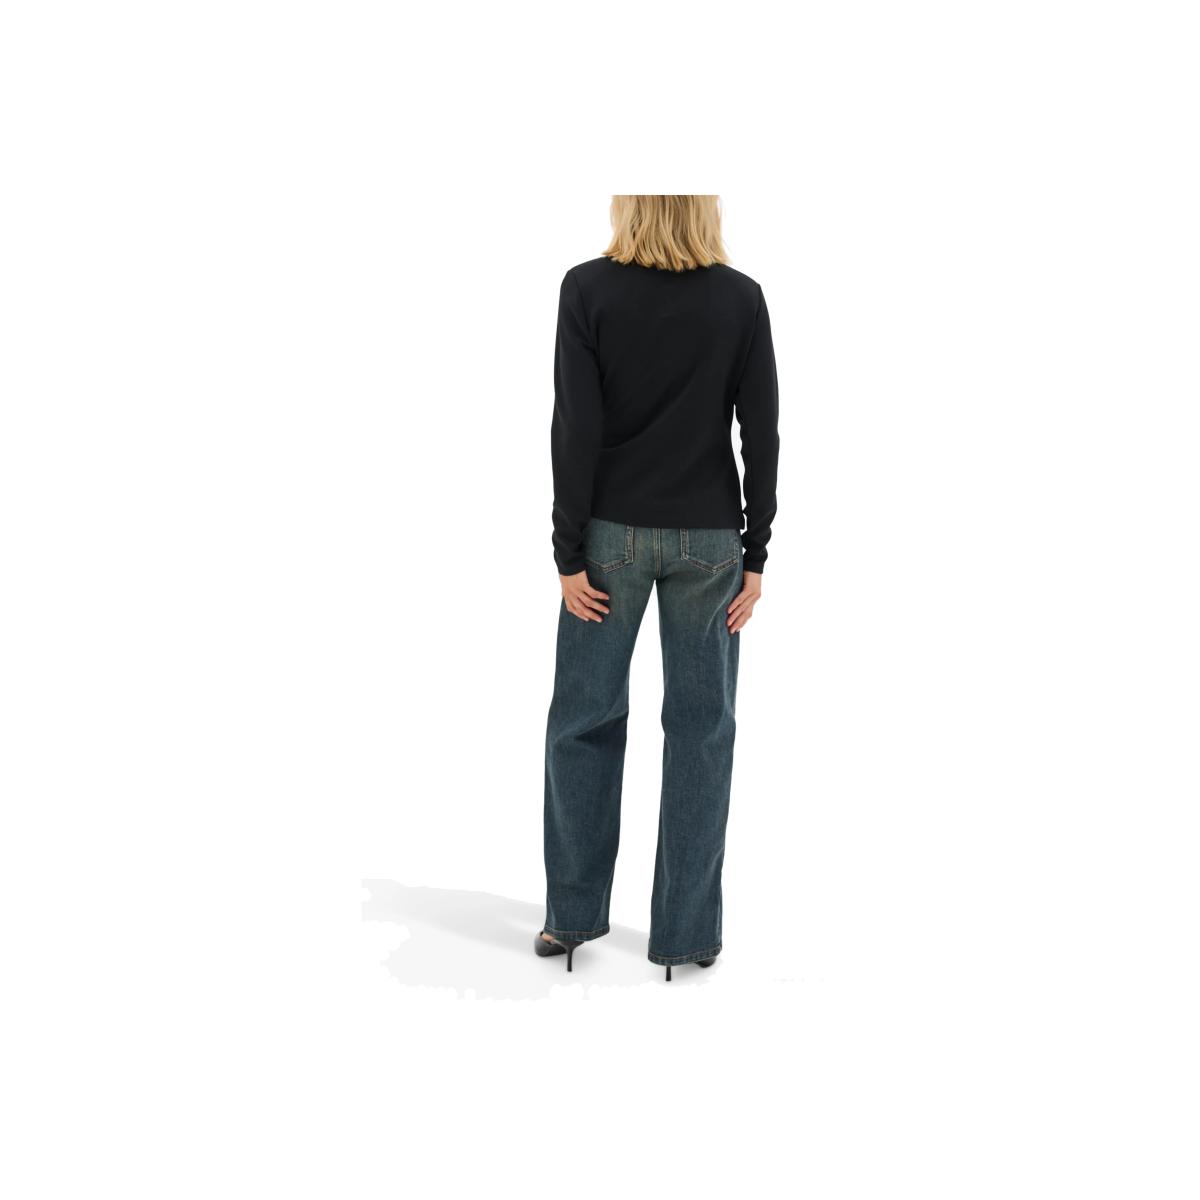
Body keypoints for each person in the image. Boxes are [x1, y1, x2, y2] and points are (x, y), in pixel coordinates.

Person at [536, 195, 780, 982]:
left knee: (585, 719)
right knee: (703, 731)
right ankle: (686, 935)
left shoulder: (588, 288)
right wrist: (755, 553)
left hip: (609, 538)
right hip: (710, 543)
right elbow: (762, 432)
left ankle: (571, 920)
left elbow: (575, 427)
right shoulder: (740, 299)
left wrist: (568, 551)